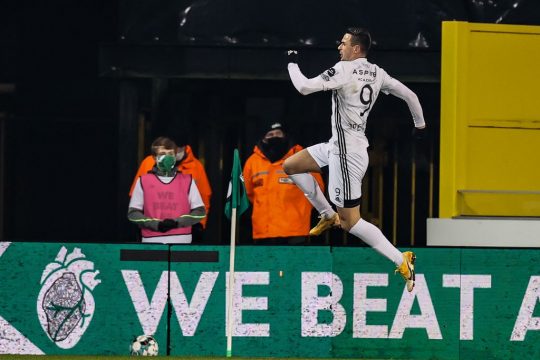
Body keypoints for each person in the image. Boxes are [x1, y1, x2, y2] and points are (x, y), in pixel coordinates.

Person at [284, 27, 426, 291]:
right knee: (291, 165)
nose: (339, 47)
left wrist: (291, 61)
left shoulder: (344, 70)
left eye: (344, 43)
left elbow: (303, 87)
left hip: (347, 156)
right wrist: (420, 127)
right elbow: (411, 96)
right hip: (339, 146)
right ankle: (326, 214)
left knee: (351, 222)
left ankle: (401, 258)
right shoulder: (378, 73)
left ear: (356, 49)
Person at [243, 122, 325, 245]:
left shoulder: (302, 158)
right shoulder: (252, 162)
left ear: (286, 136)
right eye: (270, 134)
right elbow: (248, 193)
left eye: (278, 133)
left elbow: (318, 189)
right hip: (264, 231)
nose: (274, 136)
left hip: (296, 230)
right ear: (263, 139)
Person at [128, 137, 206, 244]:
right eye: (163, 153)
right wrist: (156, 225)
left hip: (182, 240)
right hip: (151, 240)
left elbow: (200, 212)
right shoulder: (143, 181)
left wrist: (177, 223)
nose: (167, 157)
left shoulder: (188, 180)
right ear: (154, 157)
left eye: (171, 154)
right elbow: (133, 214)